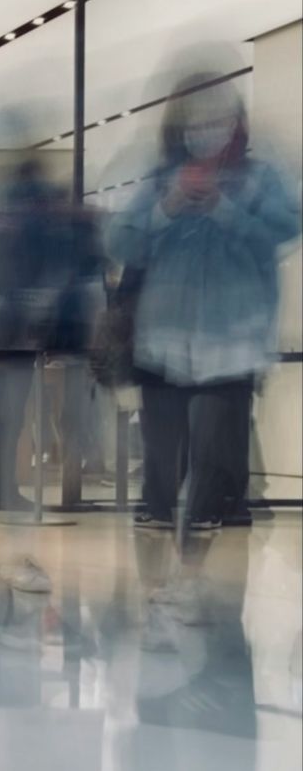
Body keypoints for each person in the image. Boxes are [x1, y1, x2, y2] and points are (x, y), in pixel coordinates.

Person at [108, 79, 299, 532]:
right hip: (162, 340)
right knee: (160, 455)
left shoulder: (260, 179)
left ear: (237, 126)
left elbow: (281, 232)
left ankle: (209, 534)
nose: (206, 132)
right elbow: (122, 241)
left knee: (214, 454)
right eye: (196, 122)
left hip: (231, 340)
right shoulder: (160, 180)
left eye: (218, 120)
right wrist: (169, 206)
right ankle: (161, 533)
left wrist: (221, 206)